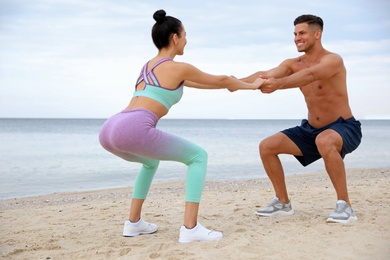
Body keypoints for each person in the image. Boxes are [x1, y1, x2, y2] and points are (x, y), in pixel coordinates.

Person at [99, 9, 264, 243]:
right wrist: (253, 85)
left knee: (149, 163)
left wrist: (237, 83)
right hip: (134, 127)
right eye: (185, 35)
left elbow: (213, 84)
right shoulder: (179, 67)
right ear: (175, 38)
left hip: (110, 128)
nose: (186, 40)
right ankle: (190, 228)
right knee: (198, 157)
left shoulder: (149, 66)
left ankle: (134, 224)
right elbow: (222, 79)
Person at [241, 14, 362, 223]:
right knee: (267, 146)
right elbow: (267, 73)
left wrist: (278, 85)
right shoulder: (292, 63)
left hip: (344, 128)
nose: (297, 38)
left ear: (318, 34)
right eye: (295, 34)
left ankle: (345, 206)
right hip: (311, 130)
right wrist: (231, 83)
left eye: (302, 33)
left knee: (324, 139)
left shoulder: (333, 60)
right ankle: (282, 203)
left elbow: (311, 75)